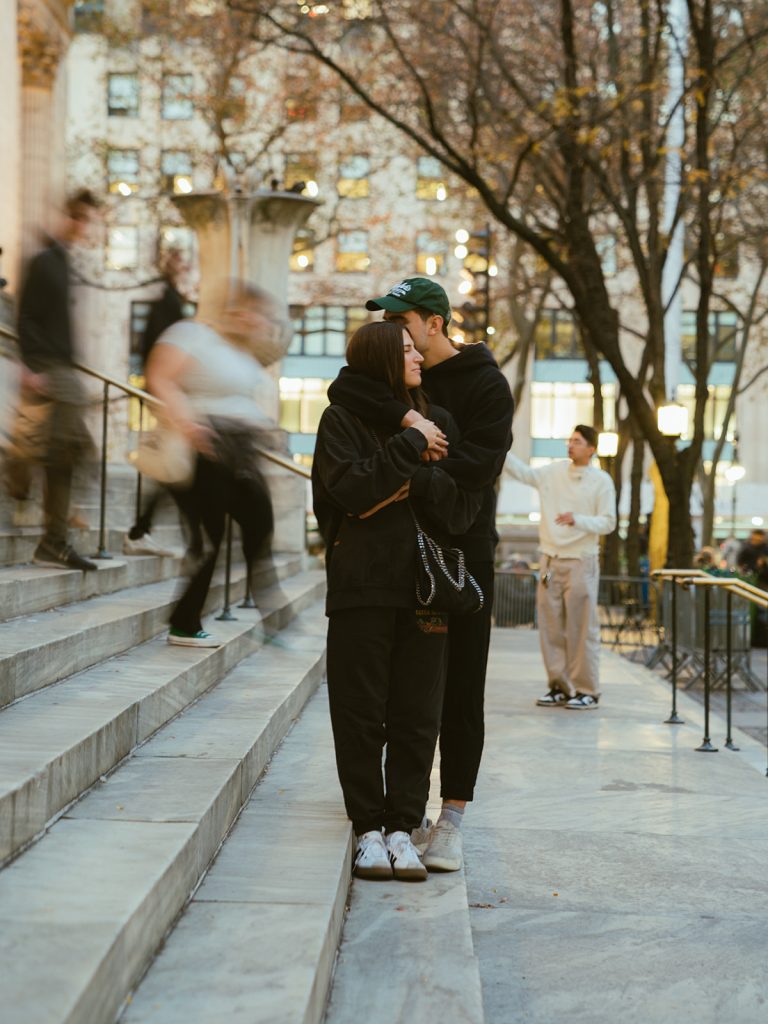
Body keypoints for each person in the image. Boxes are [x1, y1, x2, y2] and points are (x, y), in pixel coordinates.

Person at [326, 277, 513, 873]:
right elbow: (344, 389)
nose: (394, 333)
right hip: (384, 562)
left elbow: (475, 471)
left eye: (401, 322)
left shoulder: (484, 384)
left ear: (433, 324)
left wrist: (411, 471)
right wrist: (410, 425)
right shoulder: (393, 381)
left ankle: (451, 815)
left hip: (461, 550)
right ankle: (382, 813)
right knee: (387, 693)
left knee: (457, 687)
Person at [145, 281, 278, 647]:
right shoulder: (192, 335)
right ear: (231, 310)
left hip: (240, 451)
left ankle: (271, 613)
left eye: (260, 315)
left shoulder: (243, 353)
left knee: (259, 524)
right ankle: (185, 623)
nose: (255, 320)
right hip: (203, 449)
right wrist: (187, 424)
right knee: (210, 539)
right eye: (248, 311)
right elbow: (159, 377)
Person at [16, 188, 101, 571]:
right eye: (78, 218)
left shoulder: (64, 262)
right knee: (67, 452)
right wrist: (32, 367)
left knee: (71, 453)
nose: (83, 227)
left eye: (87, 220)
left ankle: (52, 534)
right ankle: (50, 536)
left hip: (65, 368)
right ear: (66, 216)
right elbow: (26, 318)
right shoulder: (44, 262)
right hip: (50, 367)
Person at [505, 425, 616, 709]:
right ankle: (559, 686)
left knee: (582, 629)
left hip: (581, 560)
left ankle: (587, 690)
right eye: (570, 440)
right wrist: (499, 444)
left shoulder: (601, 481)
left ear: (591, 449)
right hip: (550, 560)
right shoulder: (553, 472)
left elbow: (609, 522)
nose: (570, 445)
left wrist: (577, 519)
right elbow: (523, 473)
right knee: (551, 628)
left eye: (577, 441)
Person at [123, 248, 198, 559]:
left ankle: (142, 531)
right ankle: (149, 533)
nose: (189, 270)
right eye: (184, 264)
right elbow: (156, 350)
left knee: (176, 469)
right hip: (170, 395)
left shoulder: (173, 299)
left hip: (172, 394)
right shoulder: (167, 301)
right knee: (177, 469)